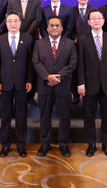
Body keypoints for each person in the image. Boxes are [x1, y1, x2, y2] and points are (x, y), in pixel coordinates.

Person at [77, 9, 107, 157]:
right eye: (93, 18)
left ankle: (106, 144)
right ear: (89, 22)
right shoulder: (82, 40)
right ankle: (91, 144)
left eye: (99, 18)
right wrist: (81, 83)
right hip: (89, 84)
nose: (96, 21)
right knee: (89, 117)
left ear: (103, 21)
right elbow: (80, 64)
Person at [33, 16, 77, 158]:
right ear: (47, 28)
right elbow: (36, 62)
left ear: (62, 28)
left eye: (57, 25)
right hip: (45, 86)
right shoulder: (39, 43)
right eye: (51, 25)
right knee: (44, 116)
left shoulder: (69, 43)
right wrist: (48, 76)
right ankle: (45, 144)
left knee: (64, 117)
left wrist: (58, 77)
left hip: (63, 86)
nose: (54, 28)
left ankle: (64, 144)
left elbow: (72, 63)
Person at [0, 11, 34, 158]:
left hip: (22, 83)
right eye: (10, 21)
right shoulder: (0, 40)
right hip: (5, 84)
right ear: (6, 23)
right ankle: (5, 145)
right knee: (5, 116)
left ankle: (21, 145)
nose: (13, 24)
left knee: (21, 116)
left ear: (20, 23)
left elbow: (31, 63)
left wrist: (30, 80)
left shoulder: (28, 39)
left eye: (15, 21)